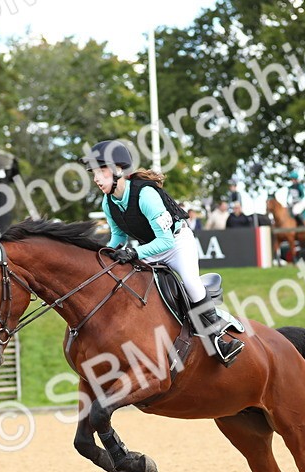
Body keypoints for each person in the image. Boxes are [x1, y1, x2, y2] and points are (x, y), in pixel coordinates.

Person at [79, 140, 243, 365]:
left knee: (191, 283)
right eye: (93, 173)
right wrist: (105, 256)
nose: (96, 178)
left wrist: (134, 253)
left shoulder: (146, 194)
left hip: (176, 244)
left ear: (119, 170)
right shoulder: (109, 203)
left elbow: (165, 240)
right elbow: (118, 238)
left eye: (101, 171)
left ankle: (219, 340)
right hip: (147, 248)